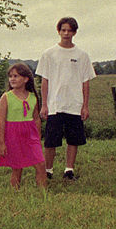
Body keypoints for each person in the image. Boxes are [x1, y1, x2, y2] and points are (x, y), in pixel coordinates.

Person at [38, 17, 95, 180]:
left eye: (69, 30)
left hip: (74, 105)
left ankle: (68, 170)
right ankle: (48, 171)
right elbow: (45, 81)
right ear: (58, 31)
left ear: (75, 32)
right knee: (51, 141)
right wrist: (44, 105)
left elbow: (86, 82)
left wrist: (85, 106)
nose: (66, 33)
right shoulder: (48, 54)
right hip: (54, 104)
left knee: (73, 139)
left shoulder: (82, 55)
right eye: (63, 30)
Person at [0, 62, 47, 190]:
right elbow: (1, 121)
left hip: (30, 135)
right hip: (13, 134)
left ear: (26, 79)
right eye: (11, 76)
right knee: (17, 168)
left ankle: (43, 193)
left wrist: (37, 137)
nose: (12, 79)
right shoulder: (6, 97)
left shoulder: (33, 97)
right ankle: (15, 194)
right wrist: (2, 143)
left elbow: (36, 118)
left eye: (16, 76)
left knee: (41, 164)